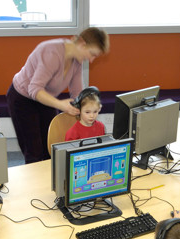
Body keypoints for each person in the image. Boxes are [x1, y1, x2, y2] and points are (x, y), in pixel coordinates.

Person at [7, 27, 110, 164]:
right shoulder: (52, 53)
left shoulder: (77, 59)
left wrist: (87, 107)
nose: (91, 60)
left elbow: (77, 93)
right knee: (34, 152)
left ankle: (51, 182)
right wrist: (61, 105)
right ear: (82, 44)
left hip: (45, 98)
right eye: (92, 54)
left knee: (51, 147)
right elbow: (34, 89)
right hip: (23, 98)